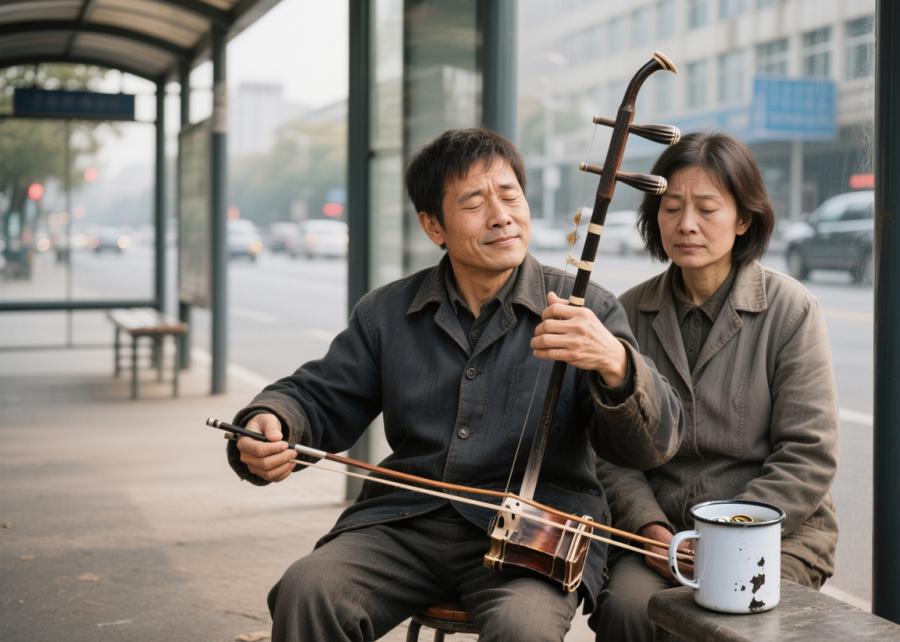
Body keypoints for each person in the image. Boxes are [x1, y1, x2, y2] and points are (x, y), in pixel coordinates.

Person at [225, 127, 684, 642]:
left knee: (523, 628)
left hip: (531, 537)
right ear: (433, 226)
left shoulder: (586, 308)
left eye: (510, 195)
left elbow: (652, 443)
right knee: (308, 589)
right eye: (473, 202)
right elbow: (319, 395)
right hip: (403, 522)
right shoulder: (387, 313)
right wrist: (273, 420)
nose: (501, 215)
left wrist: (616, 364)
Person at [589, 131, 839, 641]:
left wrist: (725, 537)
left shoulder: (790, 311)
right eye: (671, 207)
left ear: (743, 218)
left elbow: (808, 454)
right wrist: (650, 529)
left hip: (775, 531)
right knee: (628, 610)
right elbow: (609, 452)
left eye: (707, 208)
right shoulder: (628, 312)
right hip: (662, 532)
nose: (686, 224)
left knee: (733, 618)